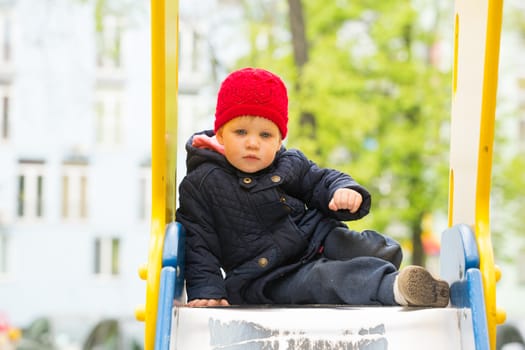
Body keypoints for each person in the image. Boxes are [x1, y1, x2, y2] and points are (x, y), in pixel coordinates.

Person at [176, 67, 450, 308]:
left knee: (370, 248)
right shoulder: (201, 183)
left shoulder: (288, 162)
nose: (252, 143)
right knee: (325, 279)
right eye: (241, 132)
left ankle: (406, 274)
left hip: (315, 237)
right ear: (221, 133)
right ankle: (395, 288)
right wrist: (208, 291)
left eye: (265, 135)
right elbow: (198, 242)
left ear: (279, 139)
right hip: (269, 276)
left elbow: (321, 180)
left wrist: (342, 191)